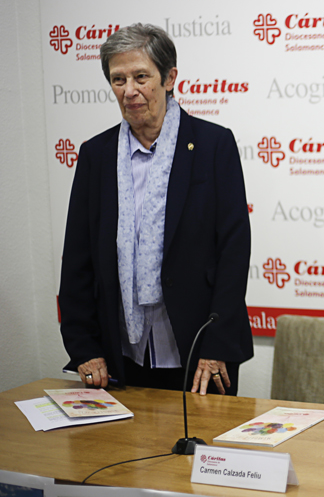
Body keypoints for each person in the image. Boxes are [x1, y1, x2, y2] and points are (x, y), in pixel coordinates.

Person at [58, 23, 253, 396]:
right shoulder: (96, 156)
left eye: (140, 76)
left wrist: (215, 347)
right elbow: (77, 258)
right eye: (118, 79)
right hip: (120, 354)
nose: (129, 91)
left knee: (202, 451)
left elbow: (233, 251)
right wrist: (83, 346)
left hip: (199, 352)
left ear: (169, 78)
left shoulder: (213, 145)